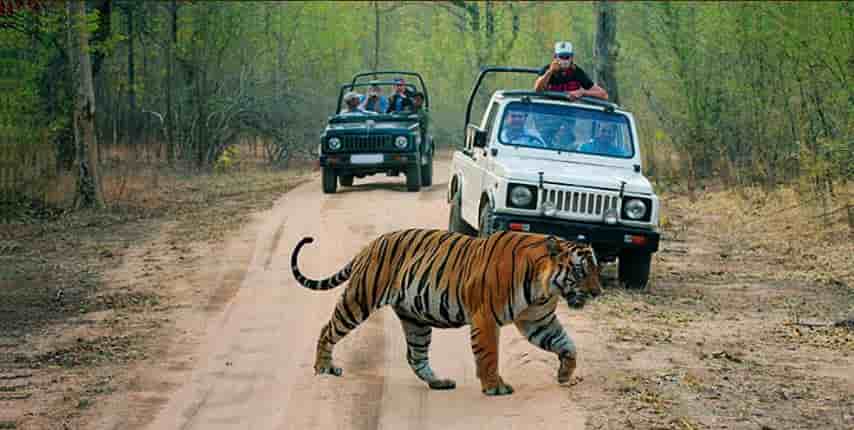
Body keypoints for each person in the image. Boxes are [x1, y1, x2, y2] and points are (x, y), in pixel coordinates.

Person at [534, 41, 609, 101]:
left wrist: (582, 92)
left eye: (567, 57)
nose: (564, 60)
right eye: (561, 57)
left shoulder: (577, 72)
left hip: (570, 111)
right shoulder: (546, 69)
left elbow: (604, 95)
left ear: (572, 58)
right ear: (555, 57)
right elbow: (537, 89)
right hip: (548, 109)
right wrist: (550, 72)